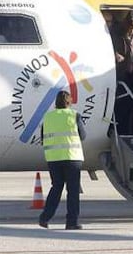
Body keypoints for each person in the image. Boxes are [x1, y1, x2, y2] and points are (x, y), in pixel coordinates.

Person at [39, 90, 86, 230]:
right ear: (69, 102)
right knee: (72, 190)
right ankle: (72, 222)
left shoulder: (47, 117)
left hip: (53, 158)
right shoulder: (74, 115)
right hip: (72, 157)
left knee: (56, 187)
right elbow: (83, 135)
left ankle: (45, 217)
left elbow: (43, 138)